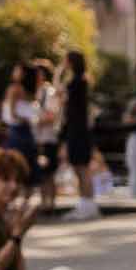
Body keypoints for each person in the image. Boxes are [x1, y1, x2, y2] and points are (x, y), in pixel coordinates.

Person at [59, 50, 100, 221]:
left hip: (77, 130)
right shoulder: (81, 81)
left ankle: (87, 206)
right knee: (80, 168)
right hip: (79, 129)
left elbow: (59, 95)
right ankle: (86, 205)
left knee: (82, 168)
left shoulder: (76, 82)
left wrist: (58, 73)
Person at [29, 61, 62, 212]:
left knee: (49, 174)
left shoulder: (48, 92)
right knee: (41, 173)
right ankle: (44, 202)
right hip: (38, 138)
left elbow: (51, 115)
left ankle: (51, 204)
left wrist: (35, 121)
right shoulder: (35, 92)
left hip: (47, 138)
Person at [1, 62, 39, 172]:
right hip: (27, 134)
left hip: (16, 133)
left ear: (22, 74)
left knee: (14, 170)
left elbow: (12, 115)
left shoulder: (14, 89)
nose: (14, 72)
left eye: (16, 70)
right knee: (27, 171)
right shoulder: (30, 91)